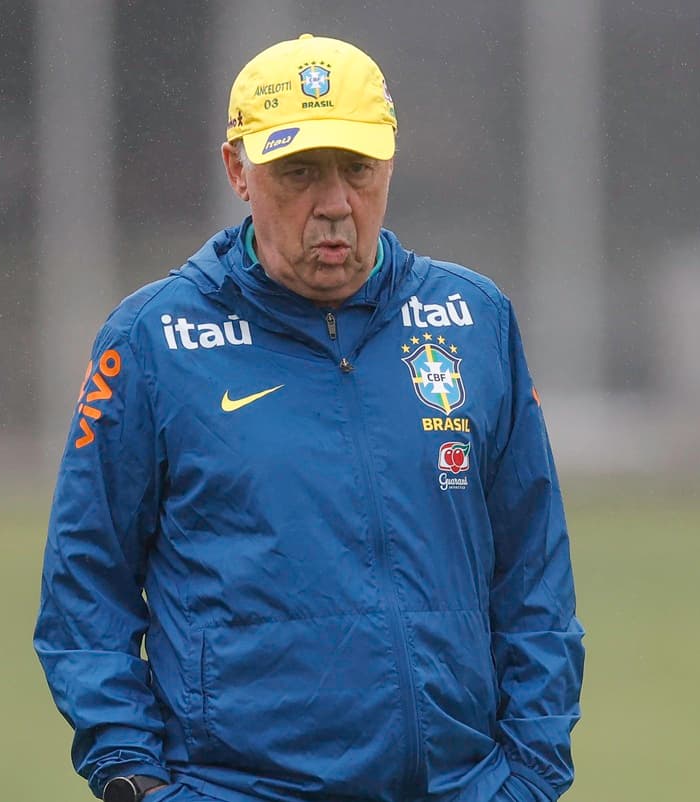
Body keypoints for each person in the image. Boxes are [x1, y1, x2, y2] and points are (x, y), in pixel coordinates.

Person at [34, 33, 584, 802]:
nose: (335, 203)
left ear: (389, 164)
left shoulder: (474, 319)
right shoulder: (154, 341)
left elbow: (533, 568)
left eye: (358, 169)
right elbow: (86, 581)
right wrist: (134, 776)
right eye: (299, 172)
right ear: (239, 171)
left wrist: (530, 772)